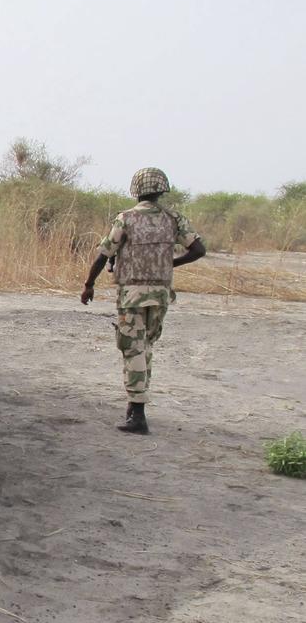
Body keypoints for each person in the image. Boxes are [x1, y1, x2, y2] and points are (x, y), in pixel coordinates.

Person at [80, 167, 206, 434]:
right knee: (146, 346)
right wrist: (170, 263)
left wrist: (89, 285)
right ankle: (135, 405)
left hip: (132, 295)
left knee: (133, 348)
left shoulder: (126, 219)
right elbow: (198, 249)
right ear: (162, 190)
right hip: (160, 294)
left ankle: (138, 414)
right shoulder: (173, 218)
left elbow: (104, 254)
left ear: (136, 190)